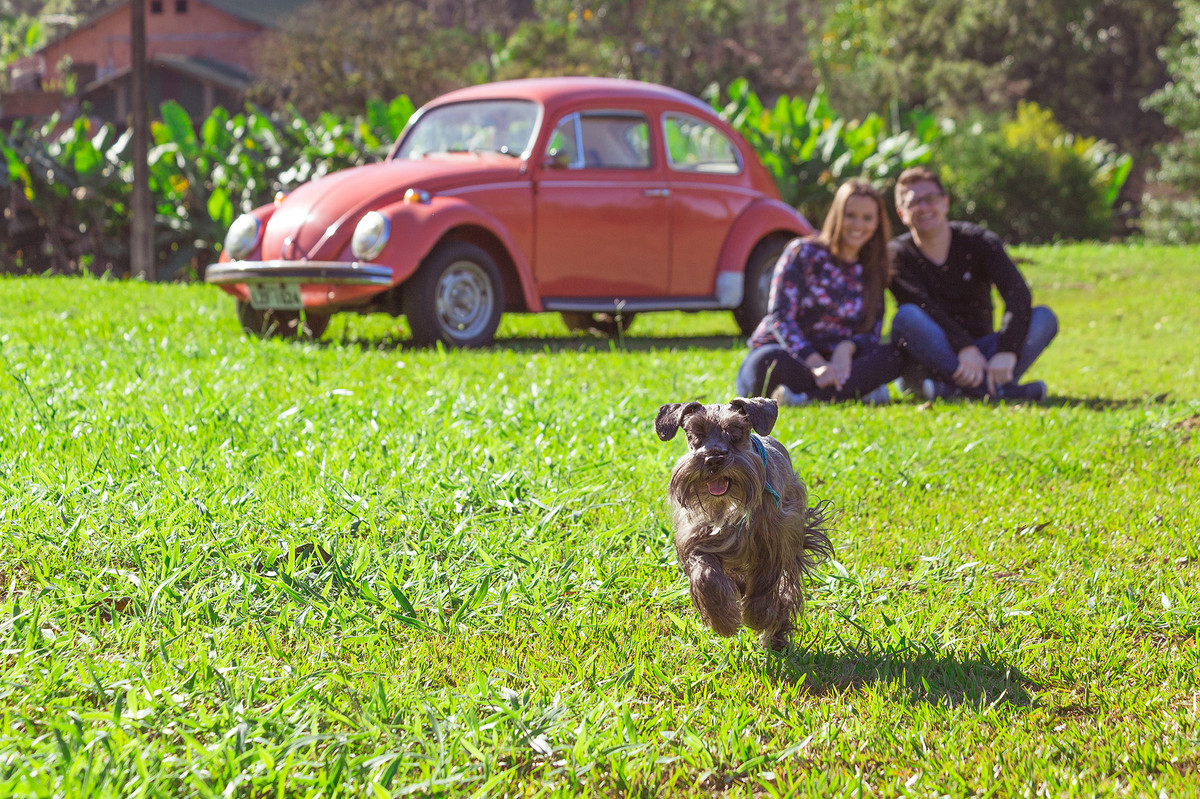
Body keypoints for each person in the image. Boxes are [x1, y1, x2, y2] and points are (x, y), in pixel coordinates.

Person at [888, 167, 1058, 401]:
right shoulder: (896, 255)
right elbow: (923, 305)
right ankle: (998, 393)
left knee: (1044, 318)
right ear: (902, 214)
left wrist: (1007, 350)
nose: (924, 207)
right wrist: (963, 348)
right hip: (933, 357)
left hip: (985, 352)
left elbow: (1017, 294)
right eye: (913, 203)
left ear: (945, 203)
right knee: (907, 316)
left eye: (930, 199)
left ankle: (955, 392)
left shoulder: (978, 241)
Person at [735, 178, 904, 405]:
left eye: (867, 218)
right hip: (792, 357)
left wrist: (846, 348)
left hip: (841, 365)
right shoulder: (803, 252)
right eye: (850, 215)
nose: (858, 225)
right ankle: (856, 391)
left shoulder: (873, 268)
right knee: (765, 363)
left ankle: (804, 398)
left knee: (893, 356)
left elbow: (872, 333)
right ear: (836, 215)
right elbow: (780, 317)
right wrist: (815, 362)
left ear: (877, 224)